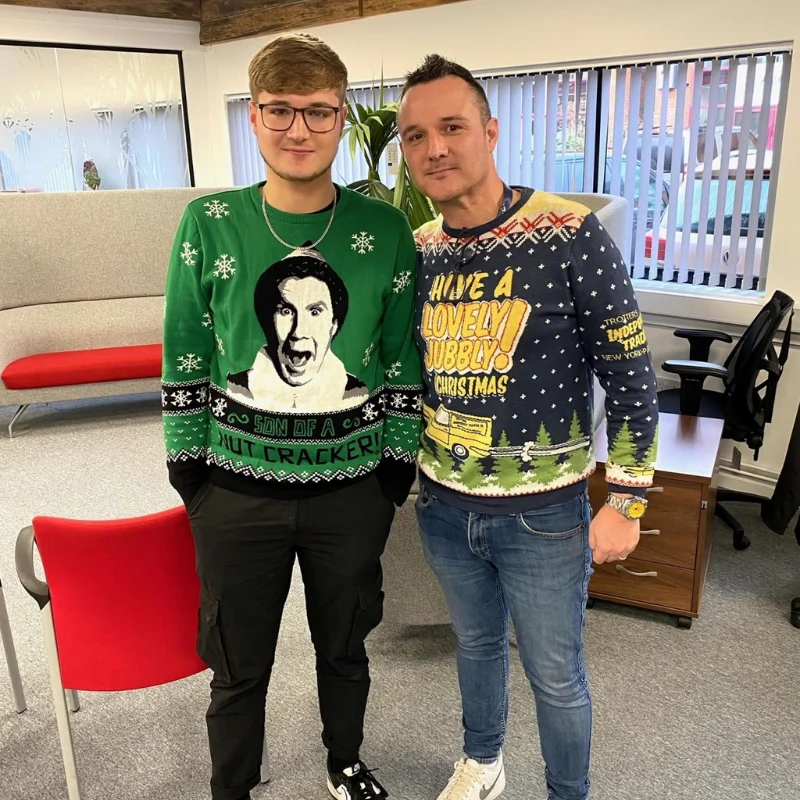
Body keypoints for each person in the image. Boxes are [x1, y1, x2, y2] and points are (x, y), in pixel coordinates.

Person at [161, 33, 422, 800]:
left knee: (345, 646)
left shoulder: (386, 232)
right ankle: (232, 787)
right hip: (234, 494)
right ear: (254, 116)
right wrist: (189, 470)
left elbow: (402, 357)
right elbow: (185, 349)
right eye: (279, 110)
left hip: (352, 493)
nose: (298, 129)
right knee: (237, 661)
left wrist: (395, 469)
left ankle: (345, 763)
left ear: (342, 117)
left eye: (317, 111)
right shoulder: (209, 222)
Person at [397, 55, 659, 800]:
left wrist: (628, 500)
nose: (435, 149)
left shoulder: (569, 233)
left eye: (452, 127)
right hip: (444, 507)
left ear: (490, 131)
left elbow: (631, 375)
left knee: (555, 673)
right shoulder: (421, 250)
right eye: (415, 136)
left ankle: (567, 794)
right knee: (476, 646)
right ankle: (483, 761)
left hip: (544, 516)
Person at [227, 248, 369, 413]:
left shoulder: (356, 394)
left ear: (334, 326)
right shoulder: (237, 390)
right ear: (267, 323)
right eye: (286, 311)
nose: (298, 332)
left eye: (315, 312)